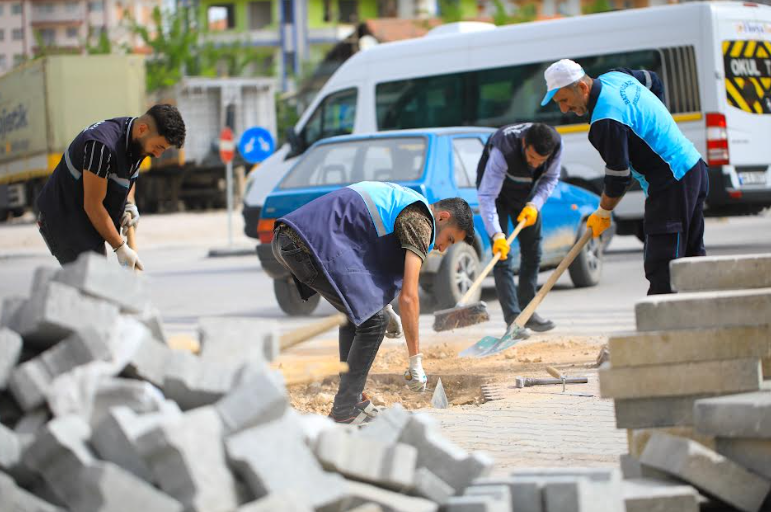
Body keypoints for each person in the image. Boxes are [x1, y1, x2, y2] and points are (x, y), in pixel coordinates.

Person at [272, 181, 475, 424]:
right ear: (442, 218)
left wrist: (385, 307)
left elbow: (364, 262)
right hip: (304, 244)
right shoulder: (421, 221)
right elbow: (409, 297)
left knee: (360, 316)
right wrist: (415, 361)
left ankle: (352, 401)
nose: (442, 249)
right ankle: (345, 409)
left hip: (292, 240)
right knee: (373, 321)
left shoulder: (407, 203)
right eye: (450, 239)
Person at [541, 59, 707, 294]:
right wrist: (658, 124)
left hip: (672, 181)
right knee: (692, 256)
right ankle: (700, 321)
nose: (564, 109)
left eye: (565, 100)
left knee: (664, 265)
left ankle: (660, 326)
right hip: (693, 167)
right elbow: (654, 80)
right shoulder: (617, 77)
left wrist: (603, 212)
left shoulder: (605, 121)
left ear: (582, 87)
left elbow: (619, 176)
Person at [36, 105, 186, 269]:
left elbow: (129, 176)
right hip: (63, 219)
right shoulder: (102, 147)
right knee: (93, 284)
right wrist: (120, 247)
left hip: (85, 220)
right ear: (143, 129)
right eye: (158, 147)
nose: (158, 154)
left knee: (94, 284)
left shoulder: (138, 140)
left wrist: (129, 204)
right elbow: (93, 205)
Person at [477, 123, 563, 332]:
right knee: (502, 257)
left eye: (540, 161)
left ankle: (528, 312)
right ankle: (513, 320)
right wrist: (497, 235)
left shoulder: (556, 146)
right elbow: (487, 197)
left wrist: (535, 204)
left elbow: (551, 178)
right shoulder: (503, 150)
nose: (534, 165)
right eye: (531, 158)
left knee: (533, 253)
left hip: (527, 196)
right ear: (524, 143)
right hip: (497, 197)